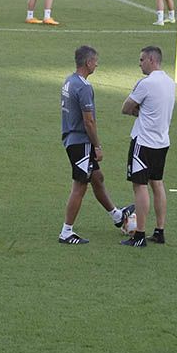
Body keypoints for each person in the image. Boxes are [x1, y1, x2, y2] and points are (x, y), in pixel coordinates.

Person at [58, 45, 135, 245]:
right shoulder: (84, 87)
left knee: (97, 178)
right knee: (80, 186)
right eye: (95, 61)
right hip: (80, 142)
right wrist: (97, 146)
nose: (97, 64)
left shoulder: (69, 81)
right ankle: (66, 232)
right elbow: (89, 121)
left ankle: (117, 216)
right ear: (88, 62)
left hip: (71, 138)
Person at [120, 46, 176, 248]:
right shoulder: (171, 82)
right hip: (162, 142)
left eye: (142, 59)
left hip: (143, 142)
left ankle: (139, 235)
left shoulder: (146, 83)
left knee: (140, 185)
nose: (139, 63)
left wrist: (138, 112)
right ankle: (160, 230)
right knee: (157, 184)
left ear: (152, 60)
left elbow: (126, 107)